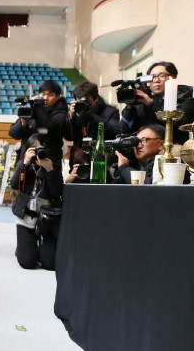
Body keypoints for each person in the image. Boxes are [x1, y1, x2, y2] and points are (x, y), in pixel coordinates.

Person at [10, 134, 63, 270]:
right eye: (34, 149)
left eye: (41, 148)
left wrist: (50, 170)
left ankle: (39, 249)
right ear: (28, 150)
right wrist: (24, 164)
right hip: (26, 217)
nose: (38, 152)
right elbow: (15, 185)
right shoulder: (24, 164)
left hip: (47, 220)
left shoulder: (53, 165)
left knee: (50, 264)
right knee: (27, 262)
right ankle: (23, 248)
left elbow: (57, 193)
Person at [120, 61, 194, 144]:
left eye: (162, 76)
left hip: (174, 148)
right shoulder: (142, 100)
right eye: (152, 77)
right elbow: (125, 130)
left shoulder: (186, 99)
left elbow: (178, 123)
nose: (156, 80)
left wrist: (151, 104)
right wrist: (129, 108)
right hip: (143, 150)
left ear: (173, 78)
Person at [8, 79, 70, 163]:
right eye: (43, 94)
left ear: (57, 97)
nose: (45, 98)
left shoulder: (61, 114)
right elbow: (13, 134)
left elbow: (47, 128)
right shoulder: (33, 109)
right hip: (27, 160)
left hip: (49, 162)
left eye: (50, 95)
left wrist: (38, 106)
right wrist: (23, 124)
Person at [68, 81, 120, 165]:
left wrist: (93, 117)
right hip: (78, 161)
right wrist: (71, 117)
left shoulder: (111, 111)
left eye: (85, 100)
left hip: (101, 161)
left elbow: (115, 131)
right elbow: (68, 137)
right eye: (79, 100)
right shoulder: (76, 113)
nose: (82, 104)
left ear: (96, 98)